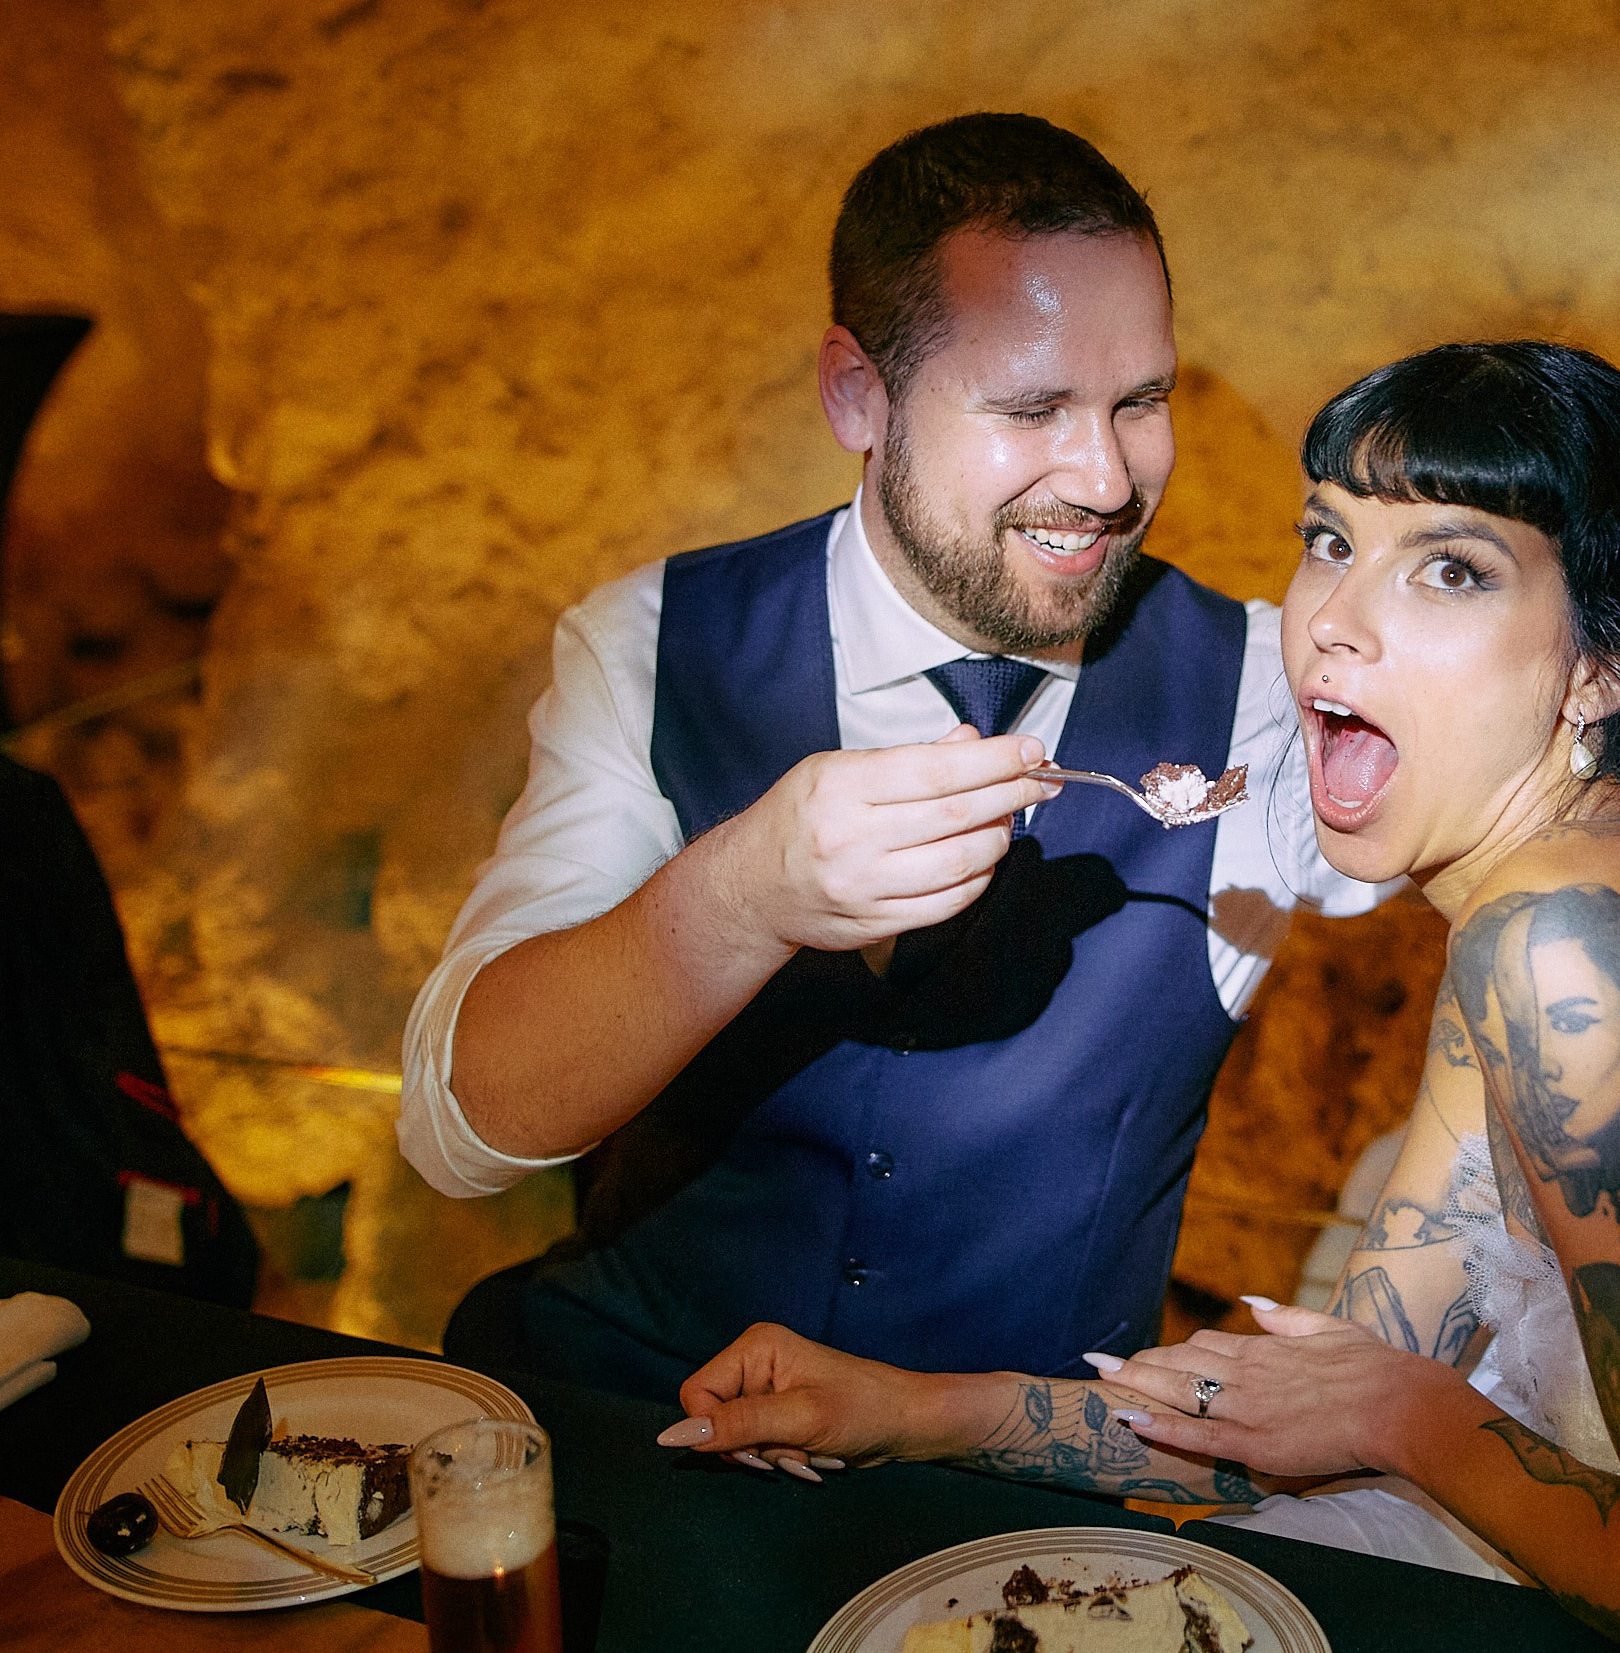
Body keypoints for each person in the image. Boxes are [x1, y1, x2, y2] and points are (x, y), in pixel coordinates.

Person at [659, 343, 1620, 1651]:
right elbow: (1325, 1380)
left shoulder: (1576, 952)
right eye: (1333, 537)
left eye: (1454, 569)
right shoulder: (1546, 893)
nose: (1334, 616)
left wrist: (1414, 1419)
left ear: (1600, 670)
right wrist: (904, 1407)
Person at [396, 114, 1383, 1403]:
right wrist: (737, 899)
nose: (1102, 476)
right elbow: (458, 1136)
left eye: (1140, 401)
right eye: (1030, 409)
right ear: (858, 395)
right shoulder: (654, 647)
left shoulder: (1262, 689)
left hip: (1013, 1522)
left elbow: (1525, 844)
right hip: (644, 1436)